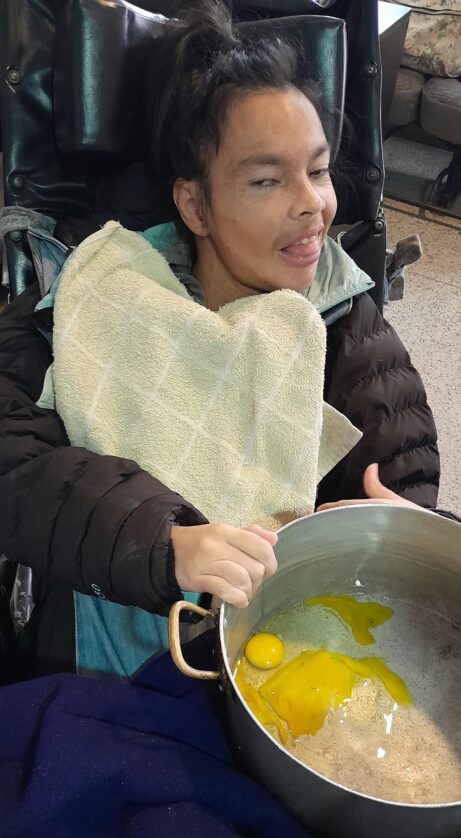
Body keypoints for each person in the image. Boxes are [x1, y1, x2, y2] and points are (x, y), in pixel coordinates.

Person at [0, 0, 440, 681]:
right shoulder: (102, 292)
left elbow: (404, 495)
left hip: (276, 666)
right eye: (266, 180)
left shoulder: (347, 323)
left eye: (318, 170)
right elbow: (12, 460)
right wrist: (162, 542)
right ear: (194, 204)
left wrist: (403, 538)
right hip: (115, 664)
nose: (311, 204)